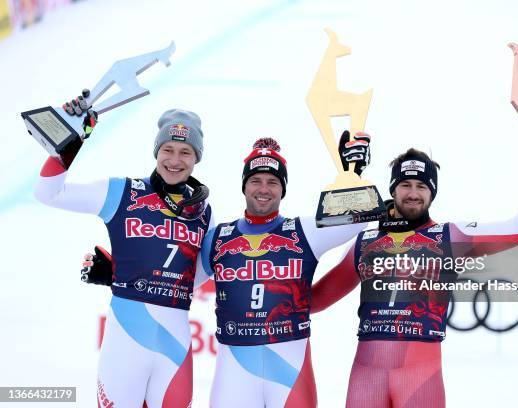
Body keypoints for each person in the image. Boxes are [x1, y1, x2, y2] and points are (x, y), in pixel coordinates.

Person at [83, 131, 373, 407]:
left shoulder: (304, 231)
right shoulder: (220, 238)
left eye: (272, 182)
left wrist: (353, 170)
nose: (263, 189)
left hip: (290, 371)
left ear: (283, 188)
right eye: (255, 180)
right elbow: (181, 282)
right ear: (244, 186)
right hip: (234, 374)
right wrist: (118, 278)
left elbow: (360, 219)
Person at [310, 131, 518, 408]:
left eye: (421, 186)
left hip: (420, 378)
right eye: (405, 185)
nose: (413, 193)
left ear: (432, 193)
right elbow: (314, 300)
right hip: (366, 378)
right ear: (392, 189)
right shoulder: (365, 242)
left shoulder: (449, 238)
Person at [35, 92, 213, 407]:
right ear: (156, 151)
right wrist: (71, 143)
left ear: (197, 157)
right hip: (126, 342)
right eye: (168, 149)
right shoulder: (122, 192)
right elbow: (48, 193)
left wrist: (121, 273)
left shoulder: (201, 210)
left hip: (174, 345)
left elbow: (190, 278)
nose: (175, 160)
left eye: (185, 152)